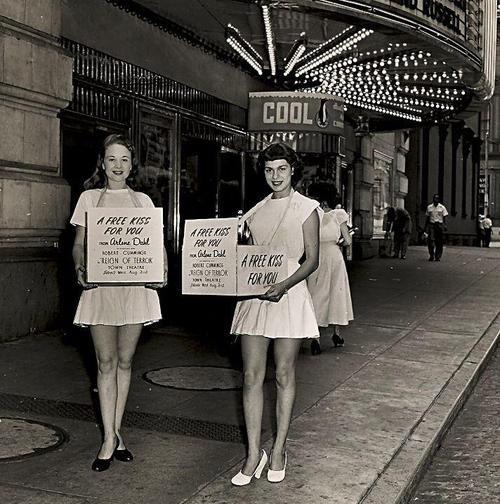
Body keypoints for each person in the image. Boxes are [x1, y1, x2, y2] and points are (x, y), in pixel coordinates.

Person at [71, 134, 168, 472]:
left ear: (132, 165)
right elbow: (79, 244)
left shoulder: (142, 201)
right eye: (112, 159)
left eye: (124, 159)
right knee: (105, 362)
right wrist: (80, 268)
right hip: (101, 289)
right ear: (102, 163)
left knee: (125, 362)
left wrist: (162, 269)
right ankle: (110, 439)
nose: (118, 165)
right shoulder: (89, 199)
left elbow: (155, 243)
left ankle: (114, 433)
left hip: (135, 289)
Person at [230, 142, 320, 486]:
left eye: (282, 169)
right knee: (251, 375)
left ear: (292, 170)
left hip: (289, 293)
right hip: (255, 296)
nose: (275, 176)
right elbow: (246, 256)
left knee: (283, 373)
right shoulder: (254, 212)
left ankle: (280, 448)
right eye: (269, 170)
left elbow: (312, 260)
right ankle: (254, 454)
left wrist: (283, 285)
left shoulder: (307, 208)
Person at [307, 184, 354, 355]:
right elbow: (348, 240)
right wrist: (338, 241)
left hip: (316, 257)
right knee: (336, 293)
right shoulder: (338, 214)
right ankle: (336, 333)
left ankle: (315, 338)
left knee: (316, 294)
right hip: (334, 257)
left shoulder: (311, 214)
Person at [425, 194, 448, 261]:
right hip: (432, 225)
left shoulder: (442, 207)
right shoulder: (429, 207)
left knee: (439, 241)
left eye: (437, 198)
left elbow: (444, 217)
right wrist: (425, 227)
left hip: (439, 225)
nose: (435, 200)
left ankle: (438, 256)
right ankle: (431, 255)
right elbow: (427, 218)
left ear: (439, 200)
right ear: (433, 199)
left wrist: (445, 225)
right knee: (430, 240)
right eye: (434, 198)